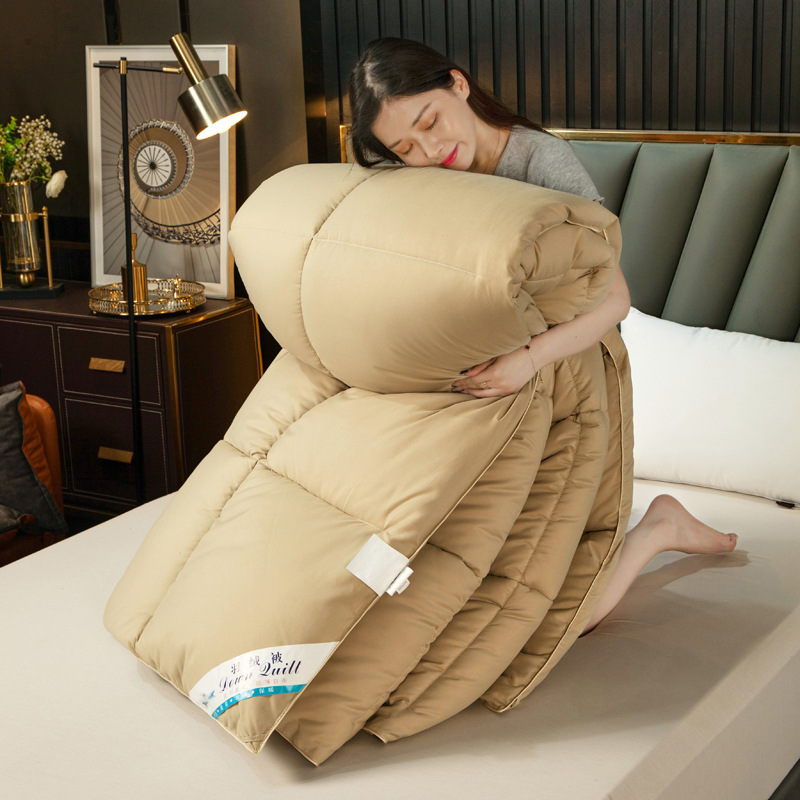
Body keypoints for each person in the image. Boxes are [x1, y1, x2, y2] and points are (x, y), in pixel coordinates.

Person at [348, 37, 737, 632]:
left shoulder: (541, 162)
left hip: (565, 370)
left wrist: (527, 360)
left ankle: (658, 527)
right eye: (405, 147)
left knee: (557, 616)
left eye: (430, 123)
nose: (429, 150)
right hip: (486, 385)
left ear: (458, 84)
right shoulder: (423, 179)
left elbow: (616, 300)